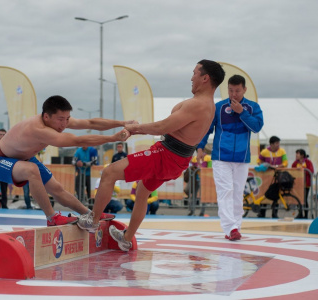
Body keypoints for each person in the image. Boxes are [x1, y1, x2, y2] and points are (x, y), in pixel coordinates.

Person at [77, 59, 226, 251]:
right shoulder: (209, 106)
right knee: (142, 191)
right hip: (178, 159)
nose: (191, 78)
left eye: (195, 73)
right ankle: (126, 238)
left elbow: (162, 127)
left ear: (205, 78)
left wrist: (133, 128)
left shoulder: (198, 104)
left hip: (166, 154)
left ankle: (92, 221)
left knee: (109, 173)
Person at [0, 95, 132, 226]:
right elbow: (77, 140)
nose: (64, 124)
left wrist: (123, 122)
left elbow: (90, 122)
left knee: (57, 188)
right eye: (61, 120)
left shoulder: (57, 120)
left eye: (67, 119)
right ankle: (52, 218)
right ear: (46, 117)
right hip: (0, 161)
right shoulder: (38, 129)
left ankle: (90, 215)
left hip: (24, 159)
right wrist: (114, 138)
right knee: (31, 170)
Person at [197, 74, 263, 240]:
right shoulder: (218, 108)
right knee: (225, 191)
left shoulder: (253, 107)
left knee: (237, 193)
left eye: (237, 91)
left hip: (242, 158)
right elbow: (206, 128)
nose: (234, 94)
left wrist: (242, 113)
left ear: (244, 90)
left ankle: (235, 228)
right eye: (231, 90)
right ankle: (231, 228)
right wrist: (200, 147)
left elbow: (256, 127)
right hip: (220, 157)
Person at [257, 135, 287, 218]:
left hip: (277, 176)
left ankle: (274, 213)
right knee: (264, 192)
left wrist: (277, 166)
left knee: (276, 194)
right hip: (266, 177)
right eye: (277, 143)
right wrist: (263, 165)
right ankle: (262, 212)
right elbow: (258, 161)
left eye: (278, 143)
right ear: (272, 144)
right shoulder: (264, 152)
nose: (278, 145)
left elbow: (285, 163)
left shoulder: (282, 151)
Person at [291, 149, 314, 218]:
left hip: (306, 184)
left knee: (304, 199)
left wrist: (302, 170)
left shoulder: (308, 162)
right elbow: (292, 170)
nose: (296, 155)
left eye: (297, 154)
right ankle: (300, 213)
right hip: (297, 184)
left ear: (302, 155)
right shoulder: (295, 163)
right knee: (298, 199)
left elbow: (311, 171)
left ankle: (306, 214)